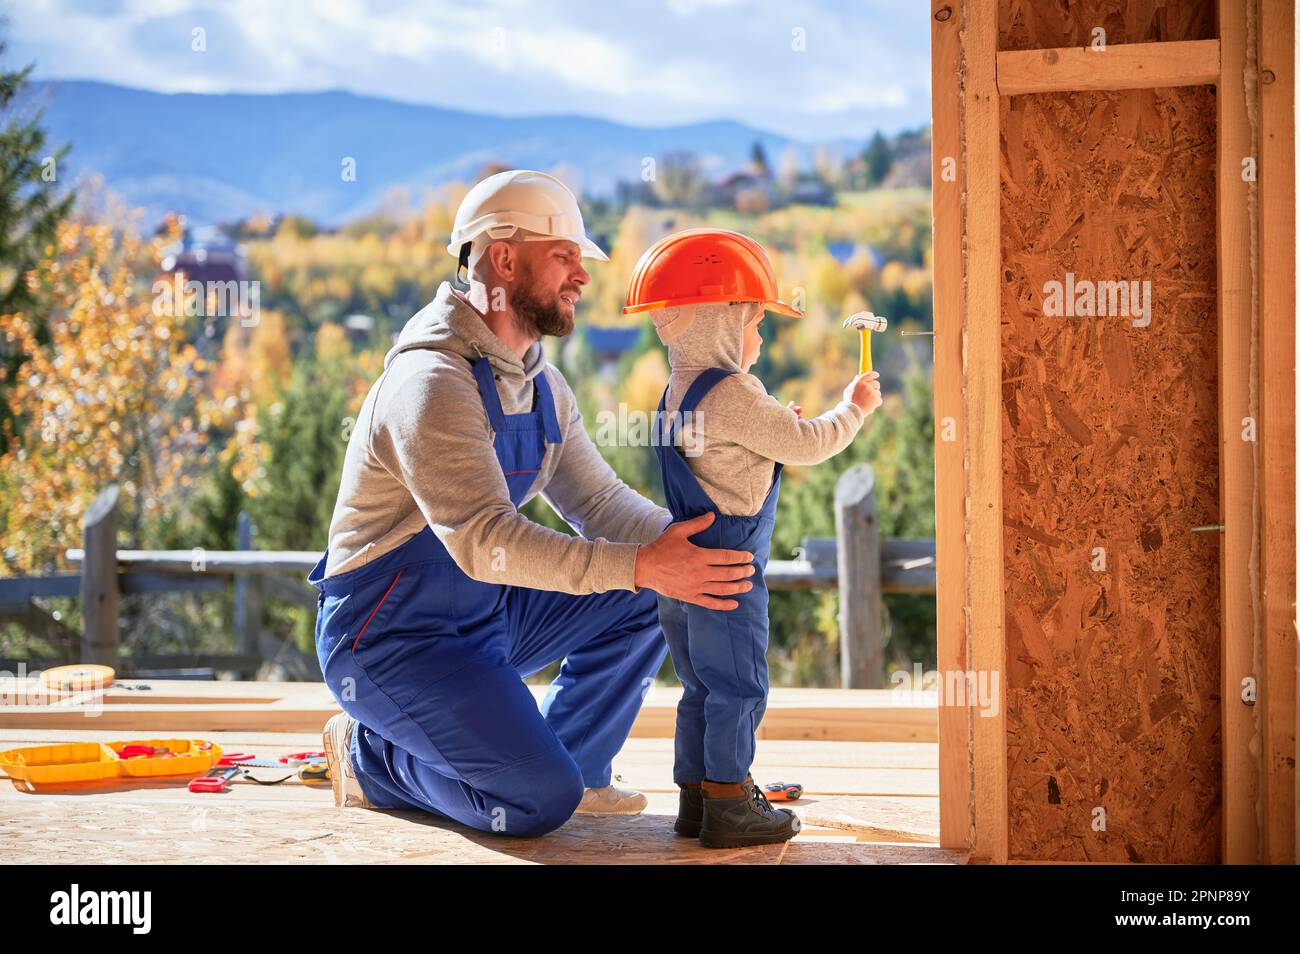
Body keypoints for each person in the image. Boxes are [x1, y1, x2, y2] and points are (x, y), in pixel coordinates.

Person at [311, 172, 758, 837]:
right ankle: (369, 755)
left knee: (652, 590)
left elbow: (601, 502)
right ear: (504, 258)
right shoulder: (431, 383)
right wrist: (644, 564)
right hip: (389, 639)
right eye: (565, 256)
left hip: (486, 617)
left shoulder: (540, 383)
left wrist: (695, 551)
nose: (582, 275)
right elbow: (487, 539)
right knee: (531, 802)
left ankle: (577, 765)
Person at [625, 228, 882, 847]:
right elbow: (810, 444)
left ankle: (697, 799)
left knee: (701, 688)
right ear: (720, 320)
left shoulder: (677, 393)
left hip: (682, 579)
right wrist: (855, 408)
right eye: (755, 322)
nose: (760, 337)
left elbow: (727, 458)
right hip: (728, 578)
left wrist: (772, 431)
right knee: (740, 687)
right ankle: (732, 805)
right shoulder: (735, 392)